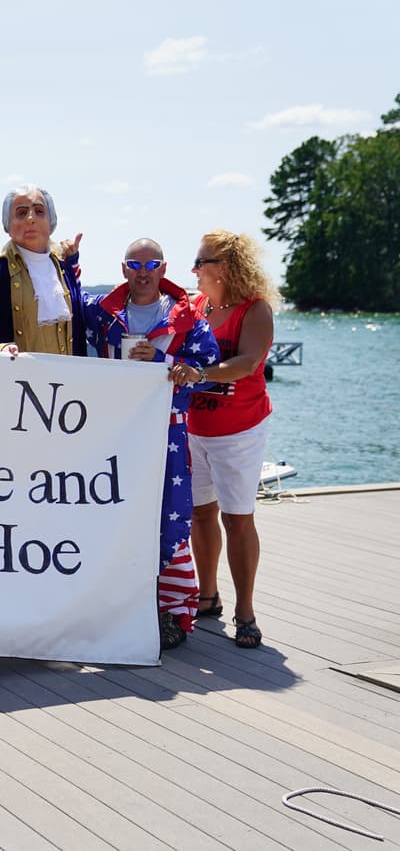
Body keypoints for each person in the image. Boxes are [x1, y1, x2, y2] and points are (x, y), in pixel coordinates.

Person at [78, 239, 220, 651]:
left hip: (165, 433)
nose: (143, 272)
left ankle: (172, 611)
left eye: (151, 264)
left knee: (168, 517)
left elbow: (207, 371)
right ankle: (112, 608)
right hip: (113, 434)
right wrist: (70, 261)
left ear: (163, 268)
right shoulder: (102, 313)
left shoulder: (187, 316)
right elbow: (63, 307)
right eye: (135, 264)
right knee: (110, 516)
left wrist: (164, 365)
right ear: (124, 269)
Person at [183, 230, 277, 650]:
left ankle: (246, 612)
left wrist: (200, 374)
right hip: (194, 428)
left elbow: (247, 362)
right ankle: (207, 596)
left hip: (239, 431)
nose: (194, 269)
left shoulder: (255, 310)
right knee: (200, 514)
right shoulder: (196, 307)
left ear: (224, 267)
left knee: (237, 519)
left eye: (200, 262)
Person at [0, 185, 86, 355]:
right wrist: (0, 348)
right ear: (8, 224)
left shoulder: (65, 268)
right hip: (14, 372)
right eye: (21, 213)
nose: (31, 218)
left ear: (51, 221)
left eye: (39, 211)